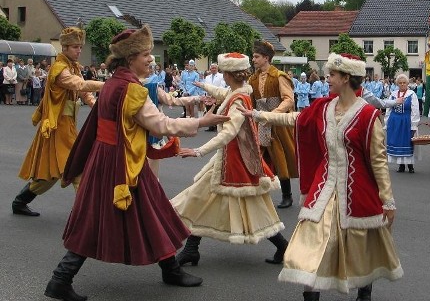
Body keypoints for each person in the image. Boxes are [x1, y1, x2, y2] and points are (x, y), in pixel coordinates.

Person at [44, 25, 230, 301]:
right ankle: (61, 279)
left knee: (150, 210)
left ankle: (171, 268)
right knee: (99, 220)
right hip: (120, 164)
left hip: (110, 159)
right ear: (130, 58)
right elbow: (161, 125)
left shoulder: (113, 84)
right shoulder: (130, 89)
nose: (151, 59)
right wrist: (202, 121)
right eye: (145, 55)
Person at [240, 52, 403, 301]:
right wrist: (259, 115)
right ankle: (311, 294)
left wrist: (388, 201)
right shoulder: (323, 107)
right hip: (323, 191)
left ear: (347, 77)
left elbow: (378, 162)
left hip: (357, 192)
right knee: (312, 244)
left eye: (332, 75)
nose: (327, 79)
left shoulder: (369, 115)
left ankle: (364, 290)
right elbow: (295, 119)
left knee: (360, 245)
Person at [171, 52, 288, 268]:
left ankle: (282, 245)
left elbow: (228, 133)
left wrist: (198, 151)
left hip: (235, 159)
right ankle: (191, 248)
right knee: (201, 196)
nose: (222, 75)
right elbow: (224, 93)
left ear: (228, 74)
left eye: (224, 72)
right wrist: (203, 86)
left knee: (251, 207)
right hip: (230, 158)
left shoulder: (238, 99)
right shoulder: (240, 92)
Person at [12, 28, 104, 217]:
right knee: (77, 165)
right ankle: (84, 214)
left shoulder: (73, 66)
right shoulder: (59, 68)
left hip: (67, 124)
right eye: (75, 47)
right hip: (56, 126)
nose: (79, 50)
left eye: (80, 47)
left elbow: (84, 92)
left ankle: (20, 201)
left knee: (50, 173)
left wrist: (96, 105)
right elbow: (78, 84)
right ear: (65, 47)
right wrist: (109, 84)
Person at [248, 40, 298, 209]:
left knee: (280, 158)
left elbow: (289, 99)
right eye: (253, 56)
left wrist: (273, 114)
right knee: (257, 158)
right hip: (260, 123)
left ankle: (287, 195)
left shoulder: (279, 76)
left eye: (256, 56)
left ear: (266, 58)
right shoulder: (252, 79)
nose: (253, 59)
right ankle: (258, 193)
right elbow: (249, 100)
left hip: (277, 124)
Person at [385, 74, 420, 173]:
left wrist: (414, 124)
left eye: (404, 83)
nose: (402, 84)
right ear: (397, 84)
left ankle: (410, 165)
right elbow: (388, 108)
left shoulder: (411, 94)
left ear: (407, 83)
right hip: (395, 121)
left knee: (407, 142)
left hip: (406, 121)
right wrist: (387, 123)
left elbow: (415, 110)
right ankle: (401, 165)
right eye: (400, 83)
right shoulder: (393, 94)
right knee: (397, 142)